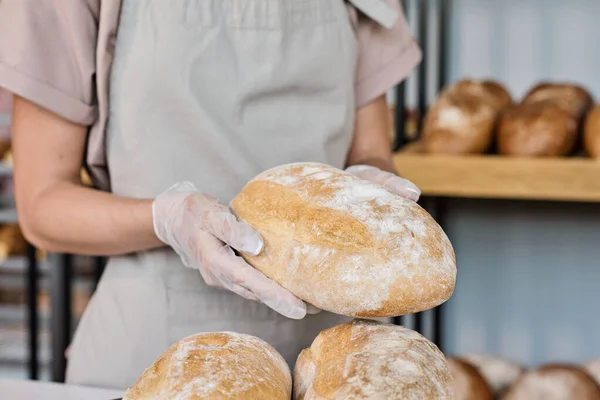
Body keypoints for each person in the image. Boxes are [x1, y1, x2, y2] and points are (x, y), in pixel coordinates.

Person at [0, 0, 422, 390]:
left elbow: (369, 151)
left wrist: (372, 183)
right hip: (157, 357)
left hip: (331, 359)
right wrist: (167, 218)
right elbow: (42, 205)